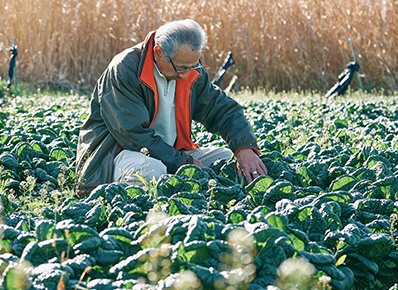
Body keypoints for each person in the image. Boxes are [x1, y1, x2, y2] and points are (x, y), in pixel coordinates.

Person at [76, 19, 266, 193]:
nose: (185, 75)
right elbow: (132, 135)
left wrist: (245, 149)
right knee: (153, 171)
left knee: (224, 158)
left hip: (172, 152)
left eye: (193, 66)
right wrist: (184, 162)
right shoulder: (125, 69)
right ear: (158, 52)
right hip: (120, 153)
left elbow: (223, 110)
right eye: (181, 67)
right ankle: (118, 197)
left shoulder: (189, 71)